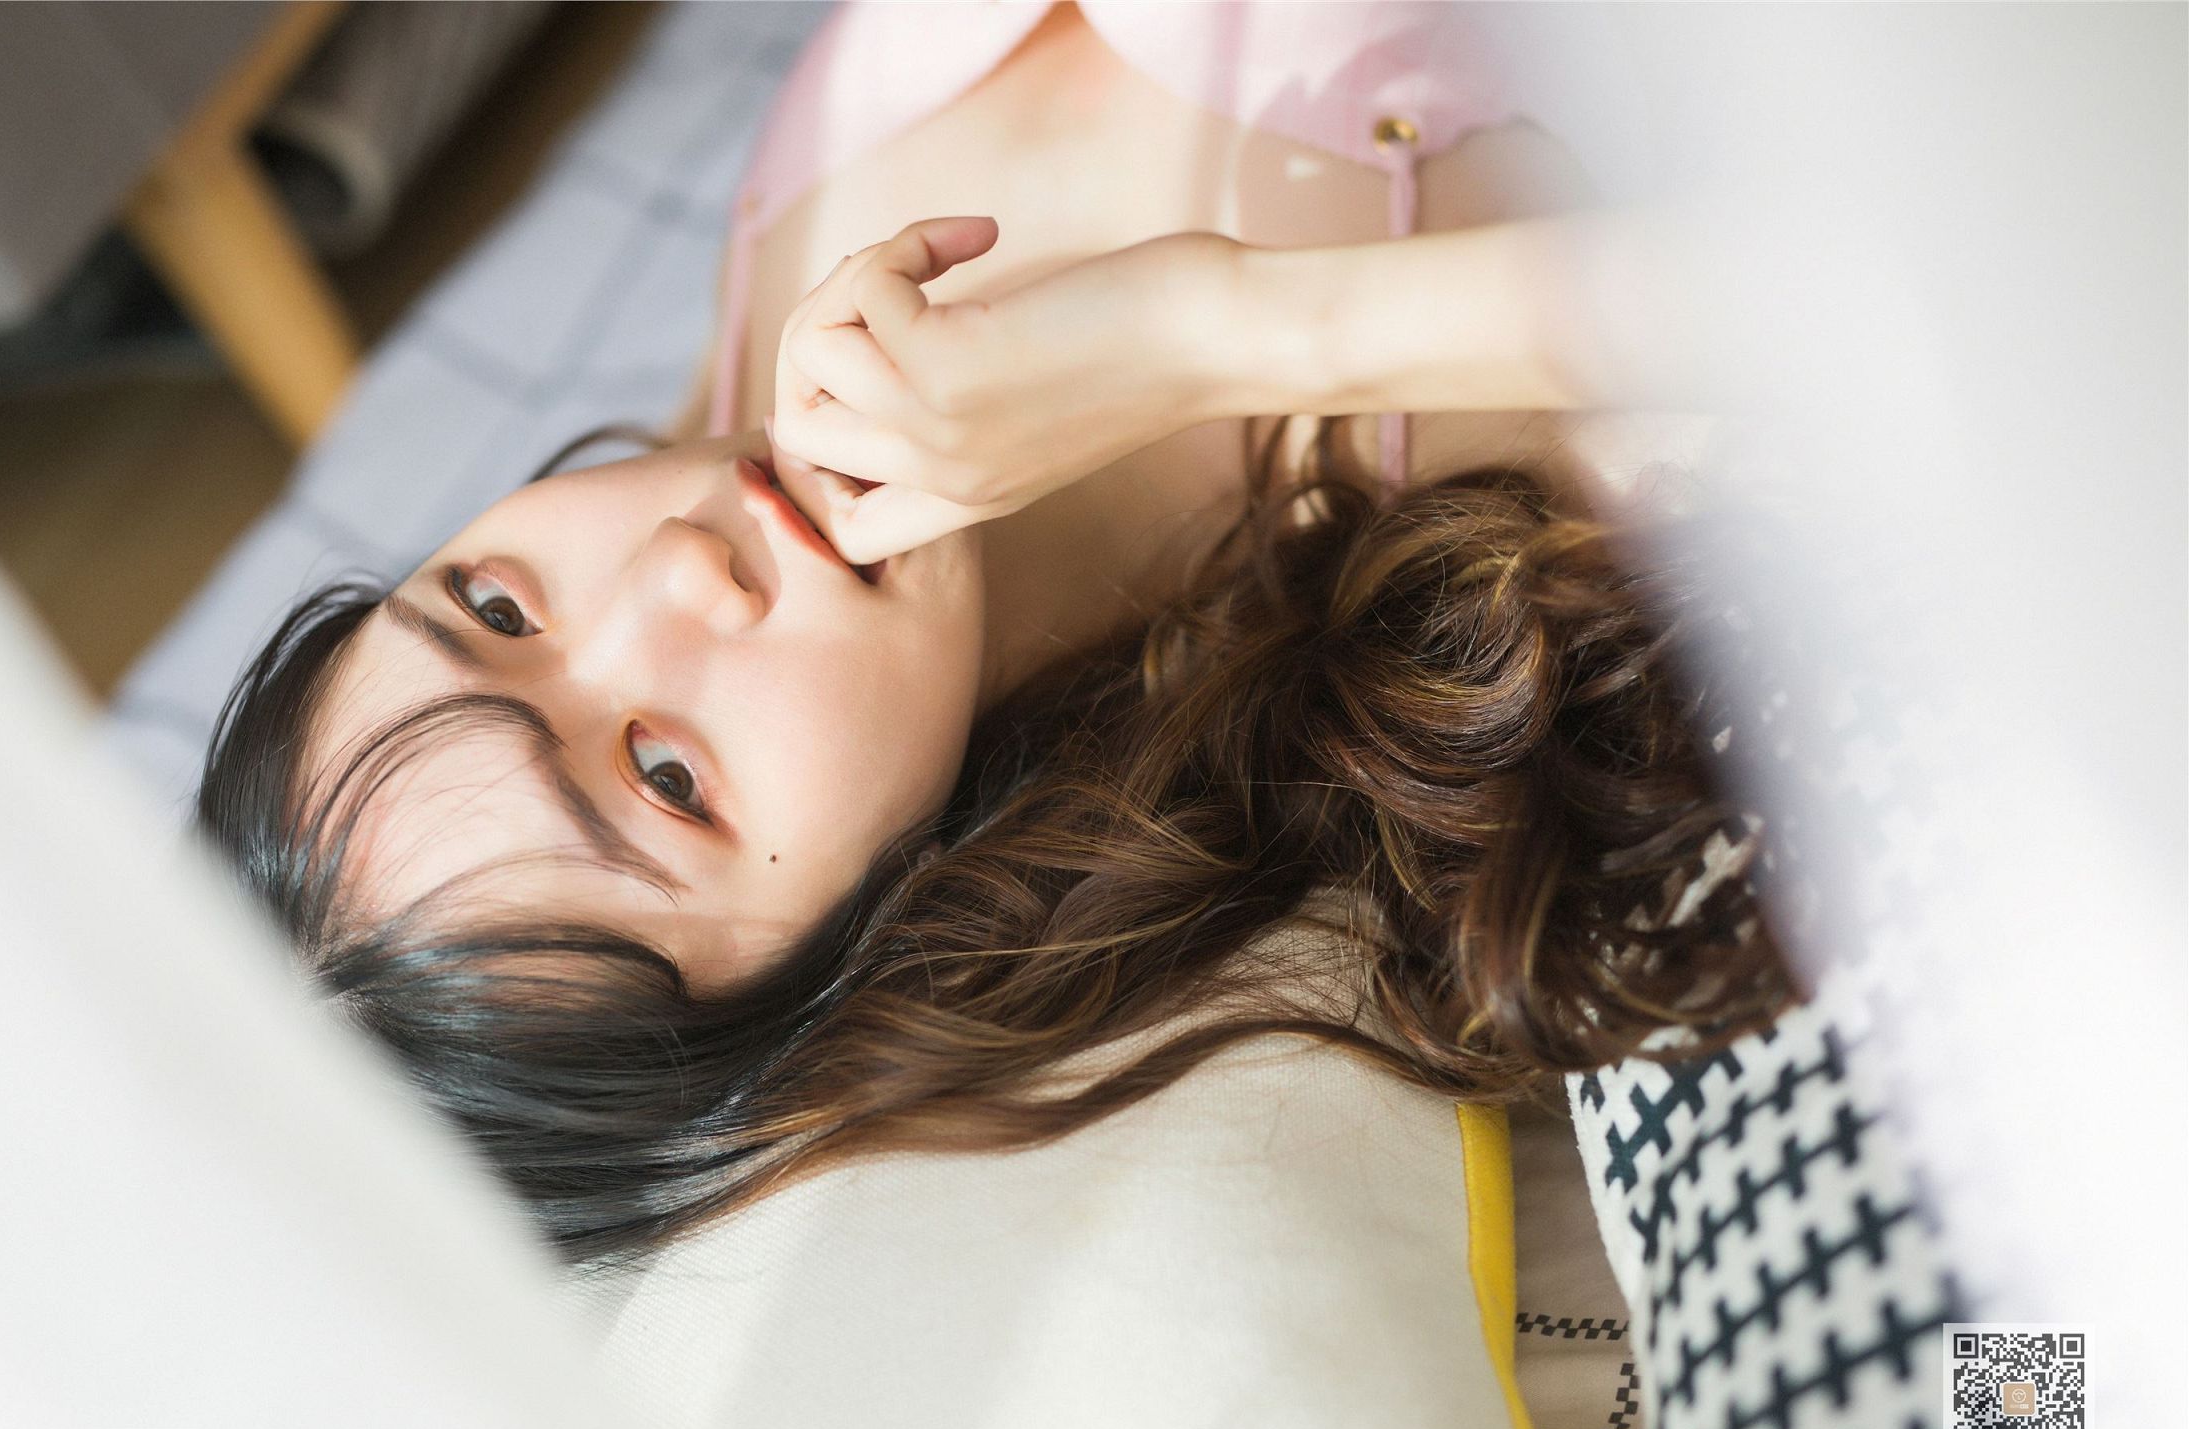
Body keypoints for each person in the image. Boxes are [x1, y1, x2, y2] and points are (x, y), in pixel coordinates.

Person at [198, 2, 1794, 1264]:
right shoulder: (1409, 544)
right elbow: (1885, 298)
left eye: (491, 608)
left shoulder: (747, 362)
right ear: (843, 958)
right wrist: (1210, 336)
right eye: (666, 778)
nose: (679, 565)